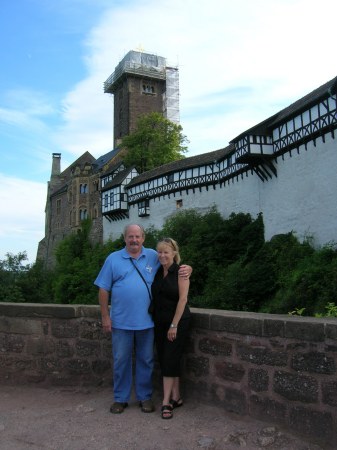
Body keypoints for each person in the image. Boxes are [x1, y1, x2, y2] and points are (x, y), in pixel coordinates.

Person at [94, 224, 191, 414]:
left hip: (147, 322)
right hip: (121, 322)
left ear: (143, 238)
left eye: (137, 237)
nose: (134, 240)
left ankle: (144, 397)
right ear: (124, 238)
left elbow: (171, 261)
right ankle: (120, 398)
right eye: (130, 237)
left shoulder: (153, 256)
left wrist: (189, 268)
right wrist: (105, 316)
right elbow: (103, 289)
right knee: (121, 360)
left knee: (146, 360)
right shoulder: (113, 259)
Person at [151, 238, 191, 419]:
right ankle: (177, 397)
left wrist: (174, 325)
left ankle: (166, 402)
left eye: (166, 252)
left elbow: (182, 300)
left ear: (174, 253)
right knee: (167, 359)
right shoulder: (159, 272)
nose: (162, 255)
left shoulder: (181, 272)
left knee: (169, 359)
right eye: (159, 252)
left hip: (177, 323)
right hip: (160, 322)